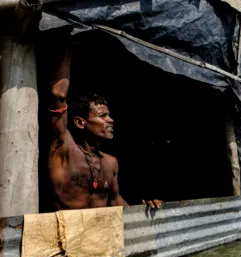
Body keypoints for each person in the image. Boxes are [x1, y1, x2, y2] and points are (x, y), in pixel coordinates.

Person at [47, 42, 161, 210]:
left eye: (109, 115)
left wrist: (142, 212)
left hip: (100, 235)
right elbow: (58, 95)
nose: (111, 120)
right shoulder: (63, 148)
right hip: (66, 234)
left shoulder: (110, 162)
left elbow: (114, 200)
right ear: (80, 122)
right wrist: (68, 49)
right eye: (103, 116)